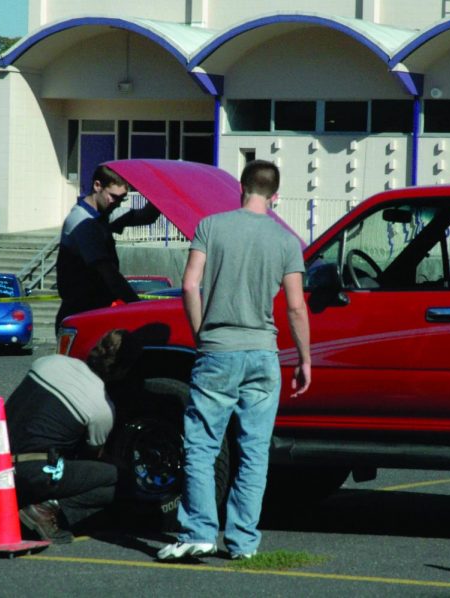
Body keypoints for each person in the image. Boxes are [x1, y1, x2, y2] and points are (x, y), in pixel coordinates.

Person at [158, 160, 312, 561]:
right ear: (276, 196)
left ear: (241, 187)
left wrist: (201, 333)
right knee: (254, 451)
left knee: (201, 446)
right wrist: (305, 359)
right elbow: (296, 308)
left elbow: (190, 285)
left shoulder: (211, 226)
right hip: (263, 354)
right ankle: (243, 541)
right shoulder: (286, 241)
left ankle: (200, 531)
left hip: (218, 350)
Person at [0, 329, 142, 543]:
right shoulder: (101, 408)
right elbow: (90, 459)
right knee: (117, 479)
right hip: (31, 474)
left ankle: (20, 505)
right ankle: (46, 510)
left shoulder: (49, 362)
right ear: (122, 370)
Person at [54, 164, 160, 335]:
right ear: (97, 186)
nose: (116, 203)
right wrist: (139, 307)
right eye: (113, 197)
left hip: (95, 311)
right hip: (79, 315)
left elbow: (146, 216)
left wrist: (160, 188)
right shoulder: (82, 222)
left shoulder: (105, 215)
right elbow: (109, 274)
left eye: (122, 199)